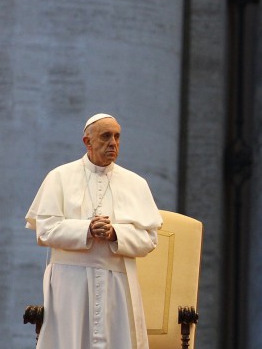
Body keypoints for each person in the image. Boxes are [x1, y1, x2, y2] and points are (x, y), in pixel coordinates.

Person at [26, 113, 163, 349]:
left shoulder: (136, 183)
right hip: (70, 284)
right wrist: (86, 229)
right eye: (106, 136)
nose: (113, 143)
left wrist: (115, 234)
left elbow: (149, 239)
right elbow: (45, 230)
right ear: (87, 142)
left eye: (117, 137)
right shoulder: (59, 177)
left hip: (117, 285)